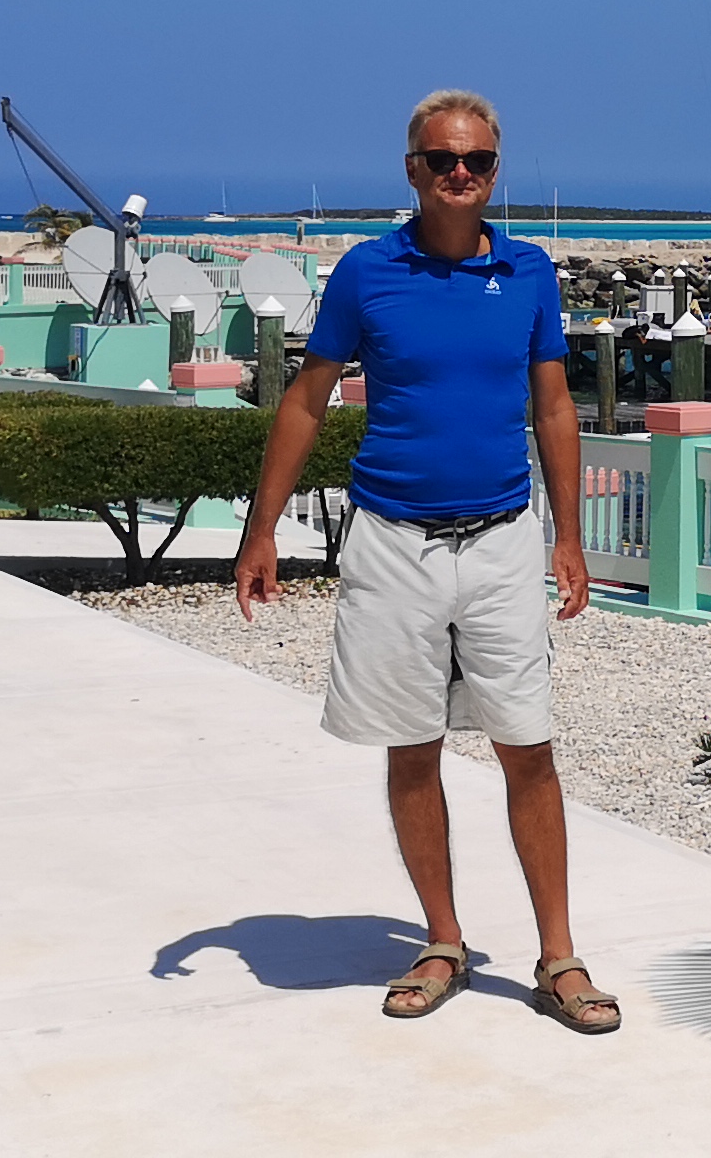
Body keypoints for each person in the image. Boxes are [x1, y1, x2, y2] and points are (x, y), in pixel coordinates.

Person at [235, 89, 618, 1035]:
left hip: (500, 538)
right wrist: (261, 529)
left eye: (477, 160)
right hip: (392, 540)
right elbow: (306, 401)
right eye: (443, 159)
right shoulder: (367, 273)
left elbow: (554, 408)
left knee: (528, 747)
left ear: (494, 171)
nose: (460, 173)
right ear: (413, 169)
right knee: (412, 748)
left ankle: (559, 957)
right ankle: (443, 941)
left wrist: (568, 537)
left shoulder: (529, 272)